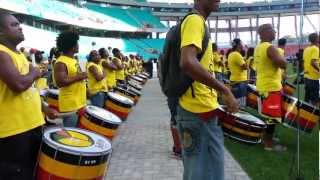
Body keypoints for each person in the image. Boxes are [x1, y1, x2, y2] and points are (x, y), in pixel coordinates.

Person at [176, 0, 239, 179]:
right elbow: (187, 62)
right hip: (198, 113)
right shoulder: (195, 20)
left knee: (202, 172)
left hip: (201, 110)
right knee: (204, 174)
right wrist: (224, 91)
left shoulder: (198, 22)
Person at [0, 12, 58, 180]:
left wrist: (45, 108)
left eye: (19, 24)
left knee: (31, 173)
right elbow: (18, 85)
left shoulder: (17, 55)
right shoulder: (2, 53)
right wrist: (34, 73)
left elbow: (29, 89)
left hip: (31, 125)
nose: (20, 27)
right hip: (13, 132)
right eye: (14, 25)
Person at [255, 24, 287, 151]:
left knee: (269, 115)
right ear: (265, 32)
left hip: (263, 85)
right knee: (273, 116)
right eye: (273, 30)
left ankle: (267, 137)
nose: (275, 32)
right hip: (271, 87)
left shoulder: (259, 47)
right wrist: (283, 61)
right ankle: (268, 144)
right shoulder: (270, 47)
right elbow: (282, 63)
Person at [54, 31, 87, 127]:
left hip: (80, 102)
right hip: (70, 104)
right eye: (77, 43)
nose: (78, 46)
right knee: (71, 135)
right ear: (73, 46)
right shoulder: (61, 62)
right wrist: (80, 76)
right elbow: (60, 81)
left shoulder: (74, 60)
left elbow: (78, 77)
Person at [228, 38, 248, 106]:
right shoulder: (237, 55)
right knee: (241, 104)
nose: (242, 45)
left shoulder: (231, 54)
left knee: (235, 101)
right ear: (239, 45)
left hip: (234, 80)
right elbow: (245, 67)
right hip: (240, 82)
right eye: (241, 43)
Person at [303, 33, 319, 106]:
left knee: (307, 99)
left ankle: (306, 116)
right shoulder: (315, 49)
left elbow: (304, 62)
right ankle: (314, 116)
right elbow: (313, 62)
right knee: (314, 100)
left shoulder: (306, 49)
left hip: (306, 77)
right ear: (317, 39)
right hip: (313, 78)